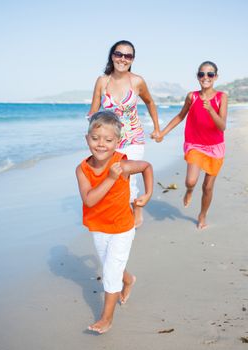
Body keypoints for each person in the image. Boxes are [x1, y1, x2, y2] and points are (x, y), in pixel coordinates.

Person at [76, 111, 153, 334]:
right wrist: (110, 178)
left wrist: (147, 194)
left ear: (117, 142)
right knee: (113, 267)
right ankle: (128, 280)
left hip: (122, 227)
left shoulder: (123, 164)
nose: (101, 145)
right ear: (87, 138)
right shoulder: (82, 169)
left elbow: (146, 166)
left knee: (110, 272)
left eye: (108, 140)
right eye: (95, 138)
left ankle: (106, 318)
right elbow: (89, 200)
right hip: (98, 227)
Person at [88, 40, 160, 228]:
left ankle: (136, 208)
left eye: (128, 56)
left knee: (127, 175)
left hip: (133, 138)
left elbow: (150, 103)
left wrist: (157, 128)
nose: (123, 59)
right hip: (111, 140)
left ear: (132, 59)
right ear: (112, 56)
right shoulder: (102, 81)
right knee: (113, 177)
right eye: (119, 54)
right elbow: (93, 113)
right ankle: (119, 208)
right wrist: (93, 139)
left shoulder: (137, 81)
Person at [156, 61, 228, 229]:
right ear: (197, 77)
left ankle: (202, 215)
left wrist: (210, 109)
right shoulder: (192, 96)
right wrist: (163, 133)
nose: (206, 77)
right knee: (190, 181)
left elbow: (222, 126)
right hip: (195, 144)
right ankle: (189, 191)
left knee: (208, 187)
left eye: (210, 74)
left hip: (215, 146)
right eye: (202, 74)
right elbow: (180, 116)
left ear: (215, 77)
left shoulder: (221, 97)